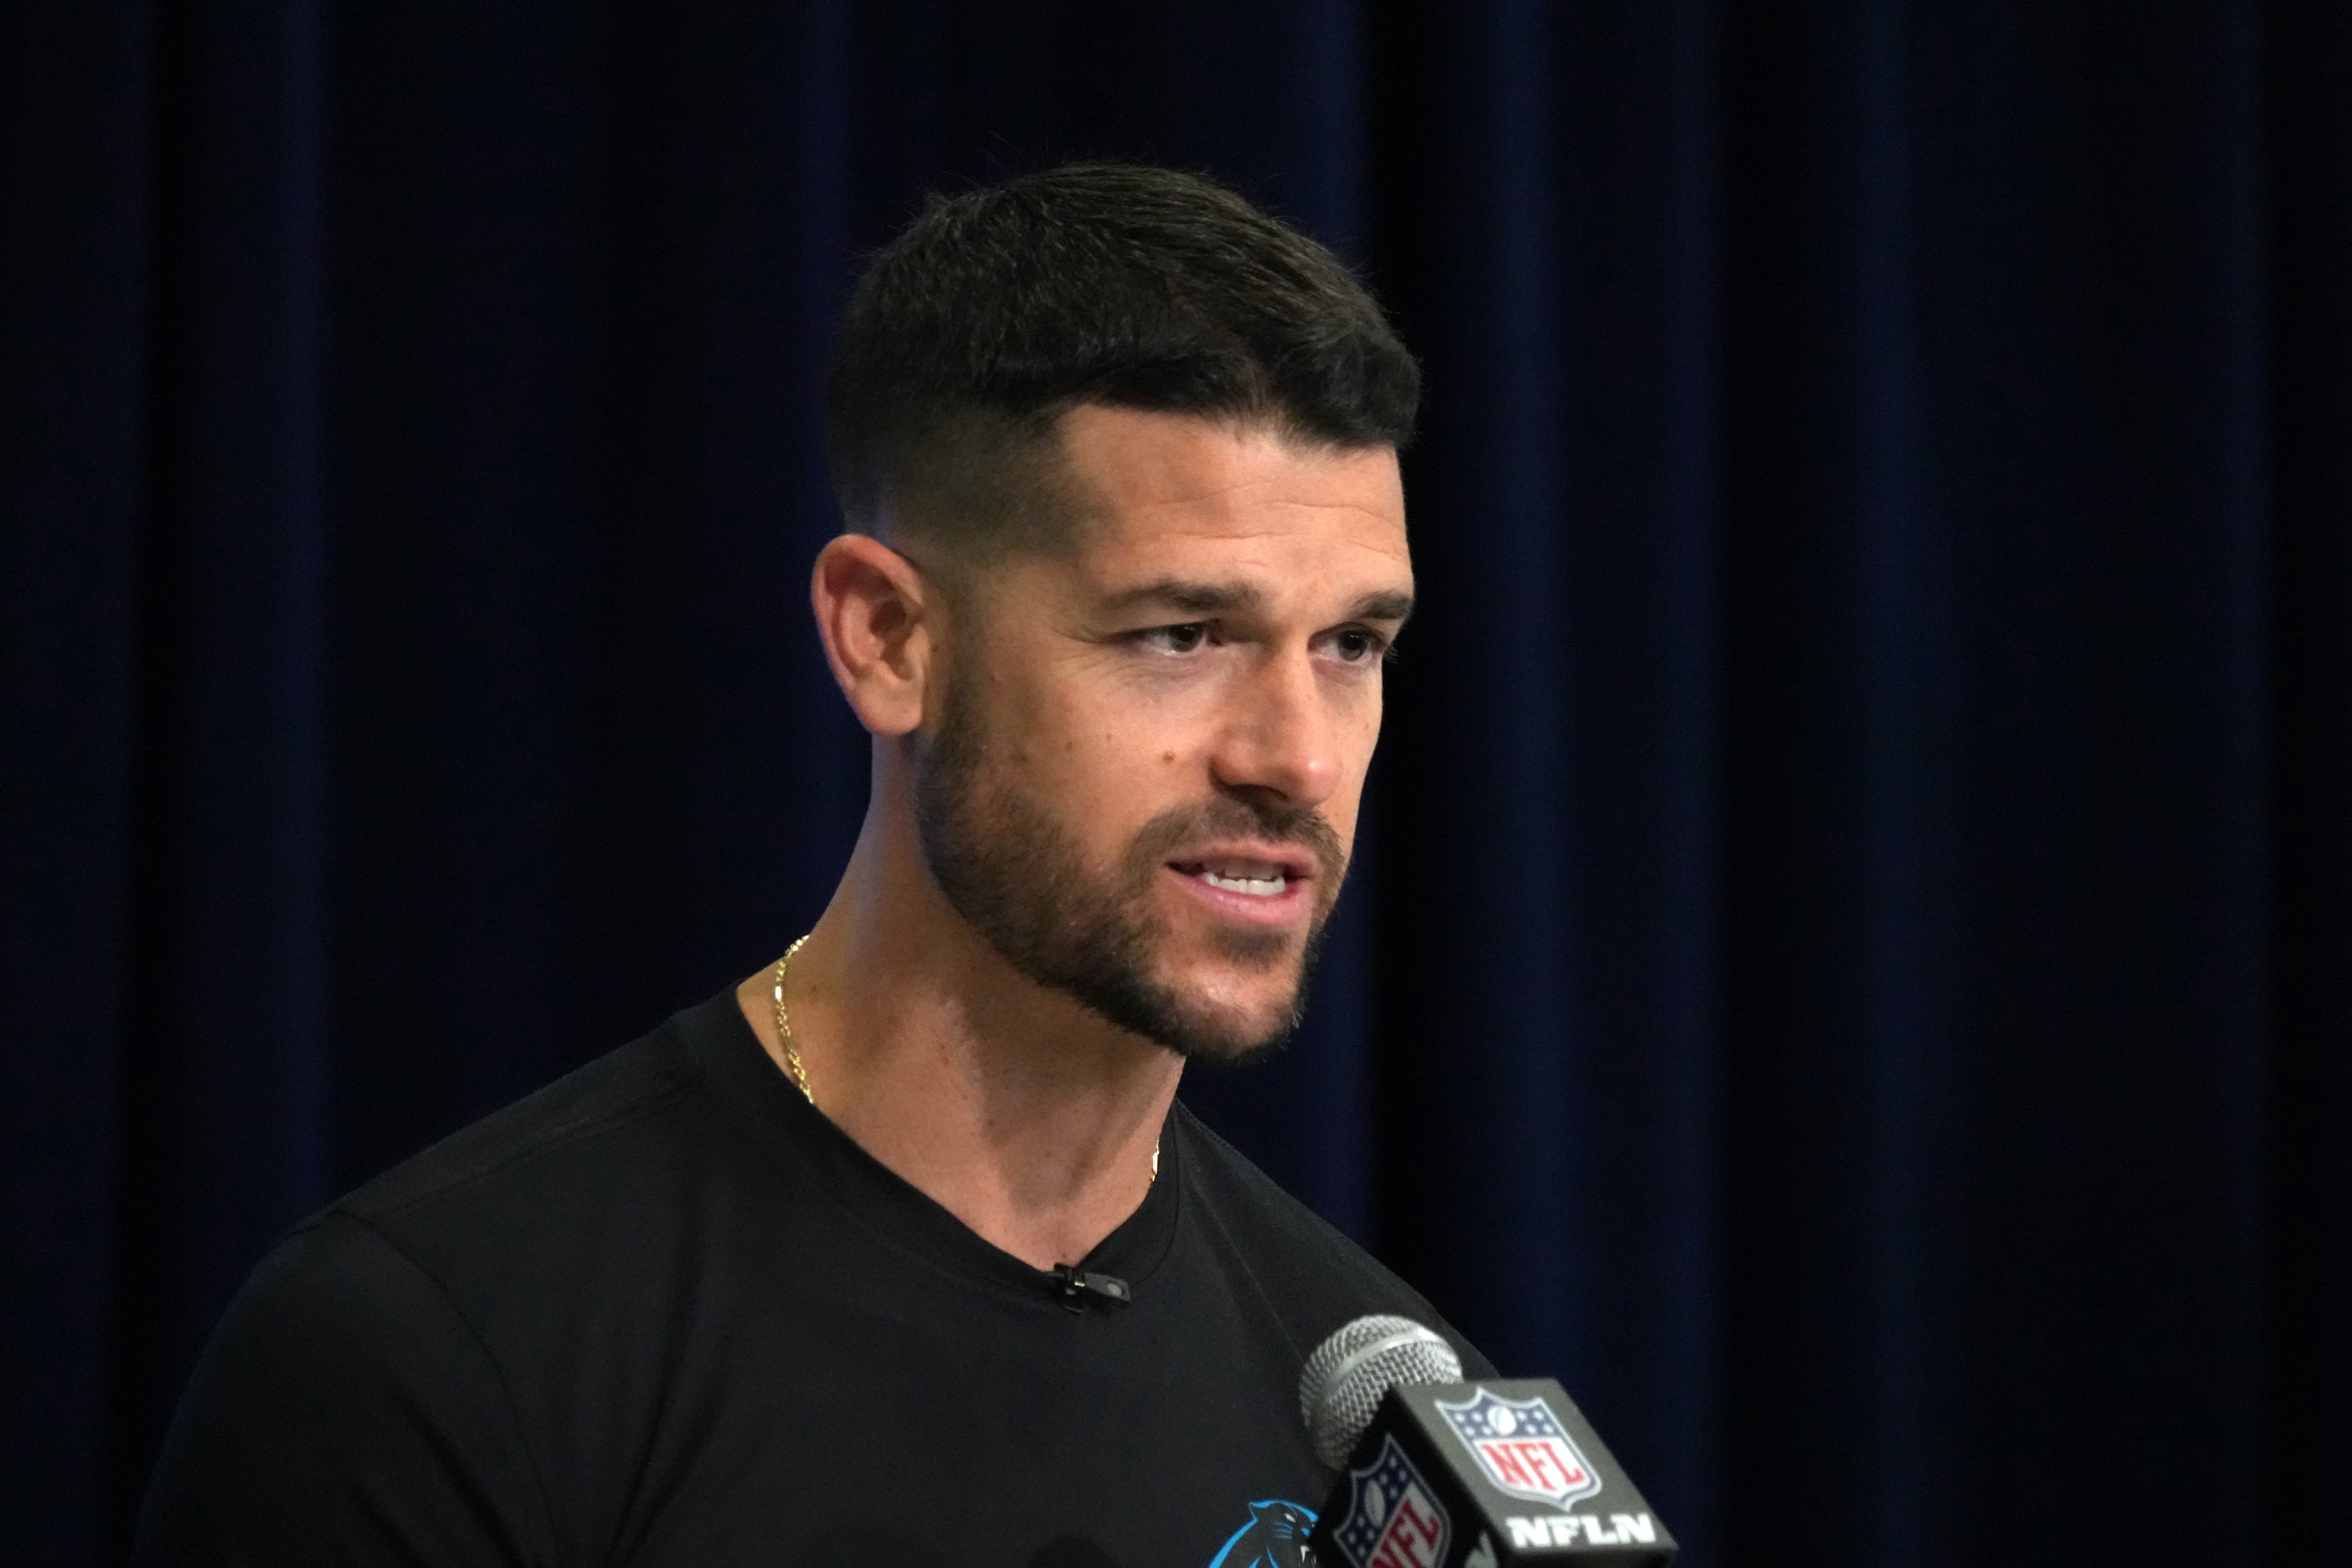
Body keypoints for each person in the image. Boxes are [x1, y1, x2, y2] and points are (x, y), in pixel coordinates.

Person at [133, 162, 1489, 1568]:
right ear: (888, 637)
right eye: (1181, 634)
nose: (1298, 757)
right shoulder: (438, 1351)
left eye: (1352, 646)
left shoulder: (1377, 1412)